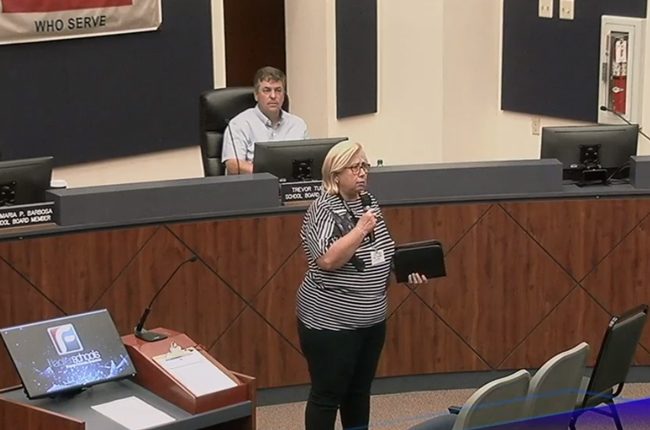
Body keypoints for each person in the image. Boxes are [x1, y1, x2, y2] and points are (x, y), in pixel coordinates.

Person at [297, 141, 428, 430]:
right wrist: (360, 229)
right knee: (328, 395)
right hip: (330, 323)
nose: (362, 173)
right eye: (354, 167)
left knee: (358, 392)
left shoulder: (368, 203)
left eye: (365, 166)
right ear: (335, 174)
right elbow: (328, 260)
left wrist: (405, 269)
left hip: (370, 320)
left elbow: (381, 250)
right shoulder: (321, 209)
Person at [221, 66, 309, 175]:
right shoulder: (239, 124)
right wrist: (272, 174)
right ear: (256, 95)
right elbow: (233, 165)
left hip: (290, 188)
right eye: (266, 90)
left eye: (278, 90)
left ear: (284, 95)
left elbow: (308, 161)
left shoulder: (298, 125)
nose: (273, 96)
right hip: (254, 186)